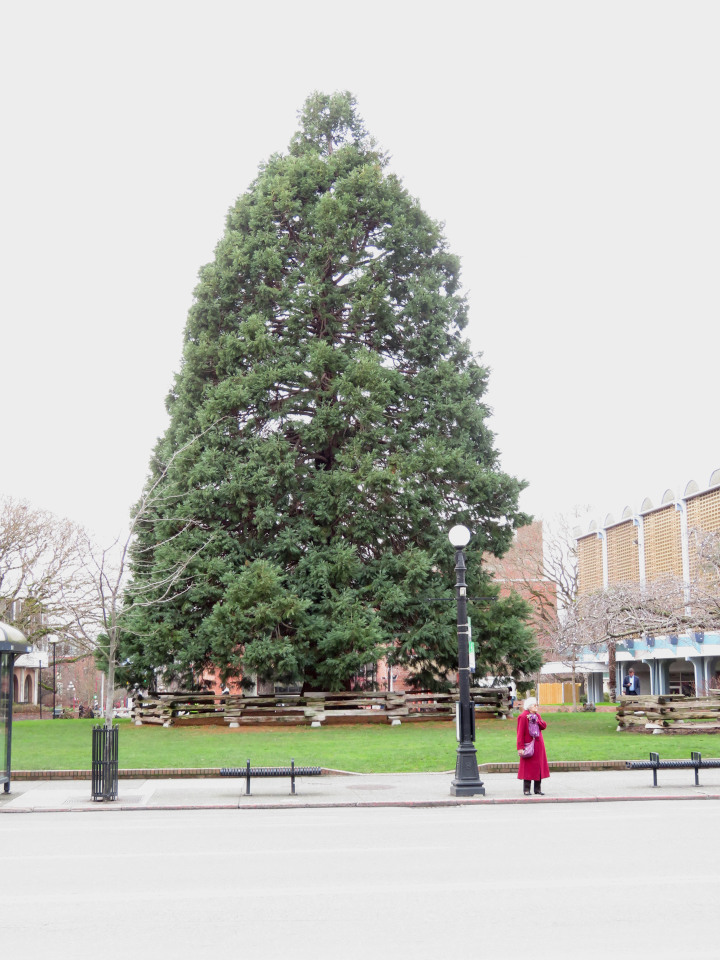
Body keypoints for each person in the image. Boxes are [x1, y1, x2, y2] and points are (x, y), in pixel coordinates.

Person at [516, 696, 550, 796]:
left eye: (536, 705)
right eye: (535, 705)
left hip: (538, 745)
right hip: (528, 745)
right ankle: (526, 789)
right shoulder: (523, 716)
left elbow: (544, 726)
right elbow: (520, 733)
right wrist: (520, 747)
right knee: (528, 767)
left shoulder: (537, 716)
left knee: (538, 767)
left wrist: (537, 720)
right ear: (529, 706)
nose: (536, 707)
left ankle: (537, 789)